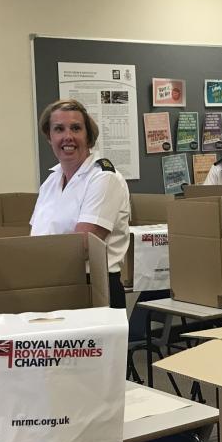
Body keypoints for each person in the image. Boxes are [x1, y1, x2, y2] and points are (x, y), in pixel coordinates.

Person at [29, 99, 130, 310]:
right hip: (51, 284)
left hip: (92, 289)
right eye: (59, 129)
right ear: (49, 137)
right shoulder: (51, 181)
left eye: (76, 128)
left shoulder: (103, 177)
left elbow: (82, 245)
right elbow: (35, 236)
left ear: (88, 136)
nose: (68, 136)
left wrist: (29, 264)